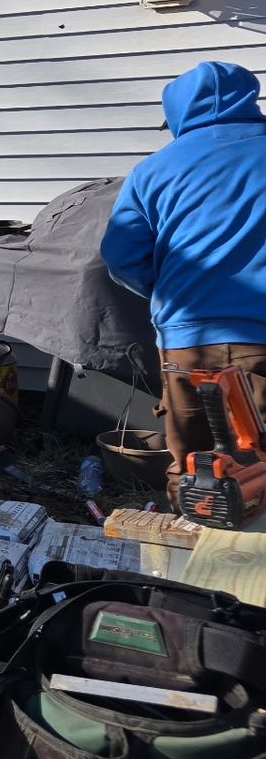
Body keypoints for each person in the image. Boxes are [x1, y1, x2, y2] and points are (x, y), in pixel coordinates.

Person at [101, 60, 266, 501]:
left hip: (187, 342)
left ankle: (192, 551)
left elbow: (119, 257)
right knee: (261, 462)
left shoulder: (153, 171)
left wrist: (168, 293)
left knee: (194, 465)